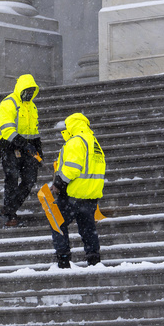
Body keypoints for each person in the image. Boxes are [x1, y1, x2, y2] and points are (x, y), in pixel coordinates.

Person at [50, 112, 106, 268]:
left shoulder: (76, 141)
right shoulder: (94, 143)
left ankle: (63, 259)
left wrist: (59, 183)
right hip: (90, 195)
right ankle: (94, 259)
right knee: (88, 229)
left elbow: (72, 168)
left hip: (73, 194)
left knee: (57, 221)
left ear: (72, 125)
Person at [0, 74, 43, 227]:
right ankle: (9, 214)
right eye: (27, 91)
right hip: (8, 146)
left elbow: (34, 131)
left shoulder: (31, 107)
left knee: (30, 179)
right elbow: (7, 130)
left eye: (31, 91)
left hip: (26, 147)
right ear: (21, 90)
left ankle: (8, 209)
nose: (29, 94)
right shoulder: (9, 103)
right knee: (12, 178)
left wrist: (38, 151)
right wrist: (23, 144)